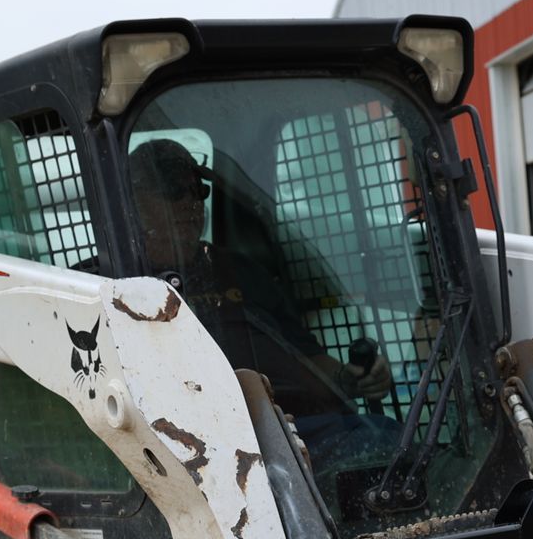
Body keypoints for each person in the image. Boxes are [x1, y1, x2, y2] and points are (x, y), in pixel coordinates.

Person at [126, 138, 393, 422]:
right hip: (196, 446)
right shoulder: (109, 283)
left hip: (298, 428)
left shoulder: (242, 272)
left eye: (197, 190)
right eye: (172, 189)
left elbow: (308, 360)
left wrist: (348, 379)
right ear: (132, 199)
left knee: (386, 438)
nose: (189, 202)